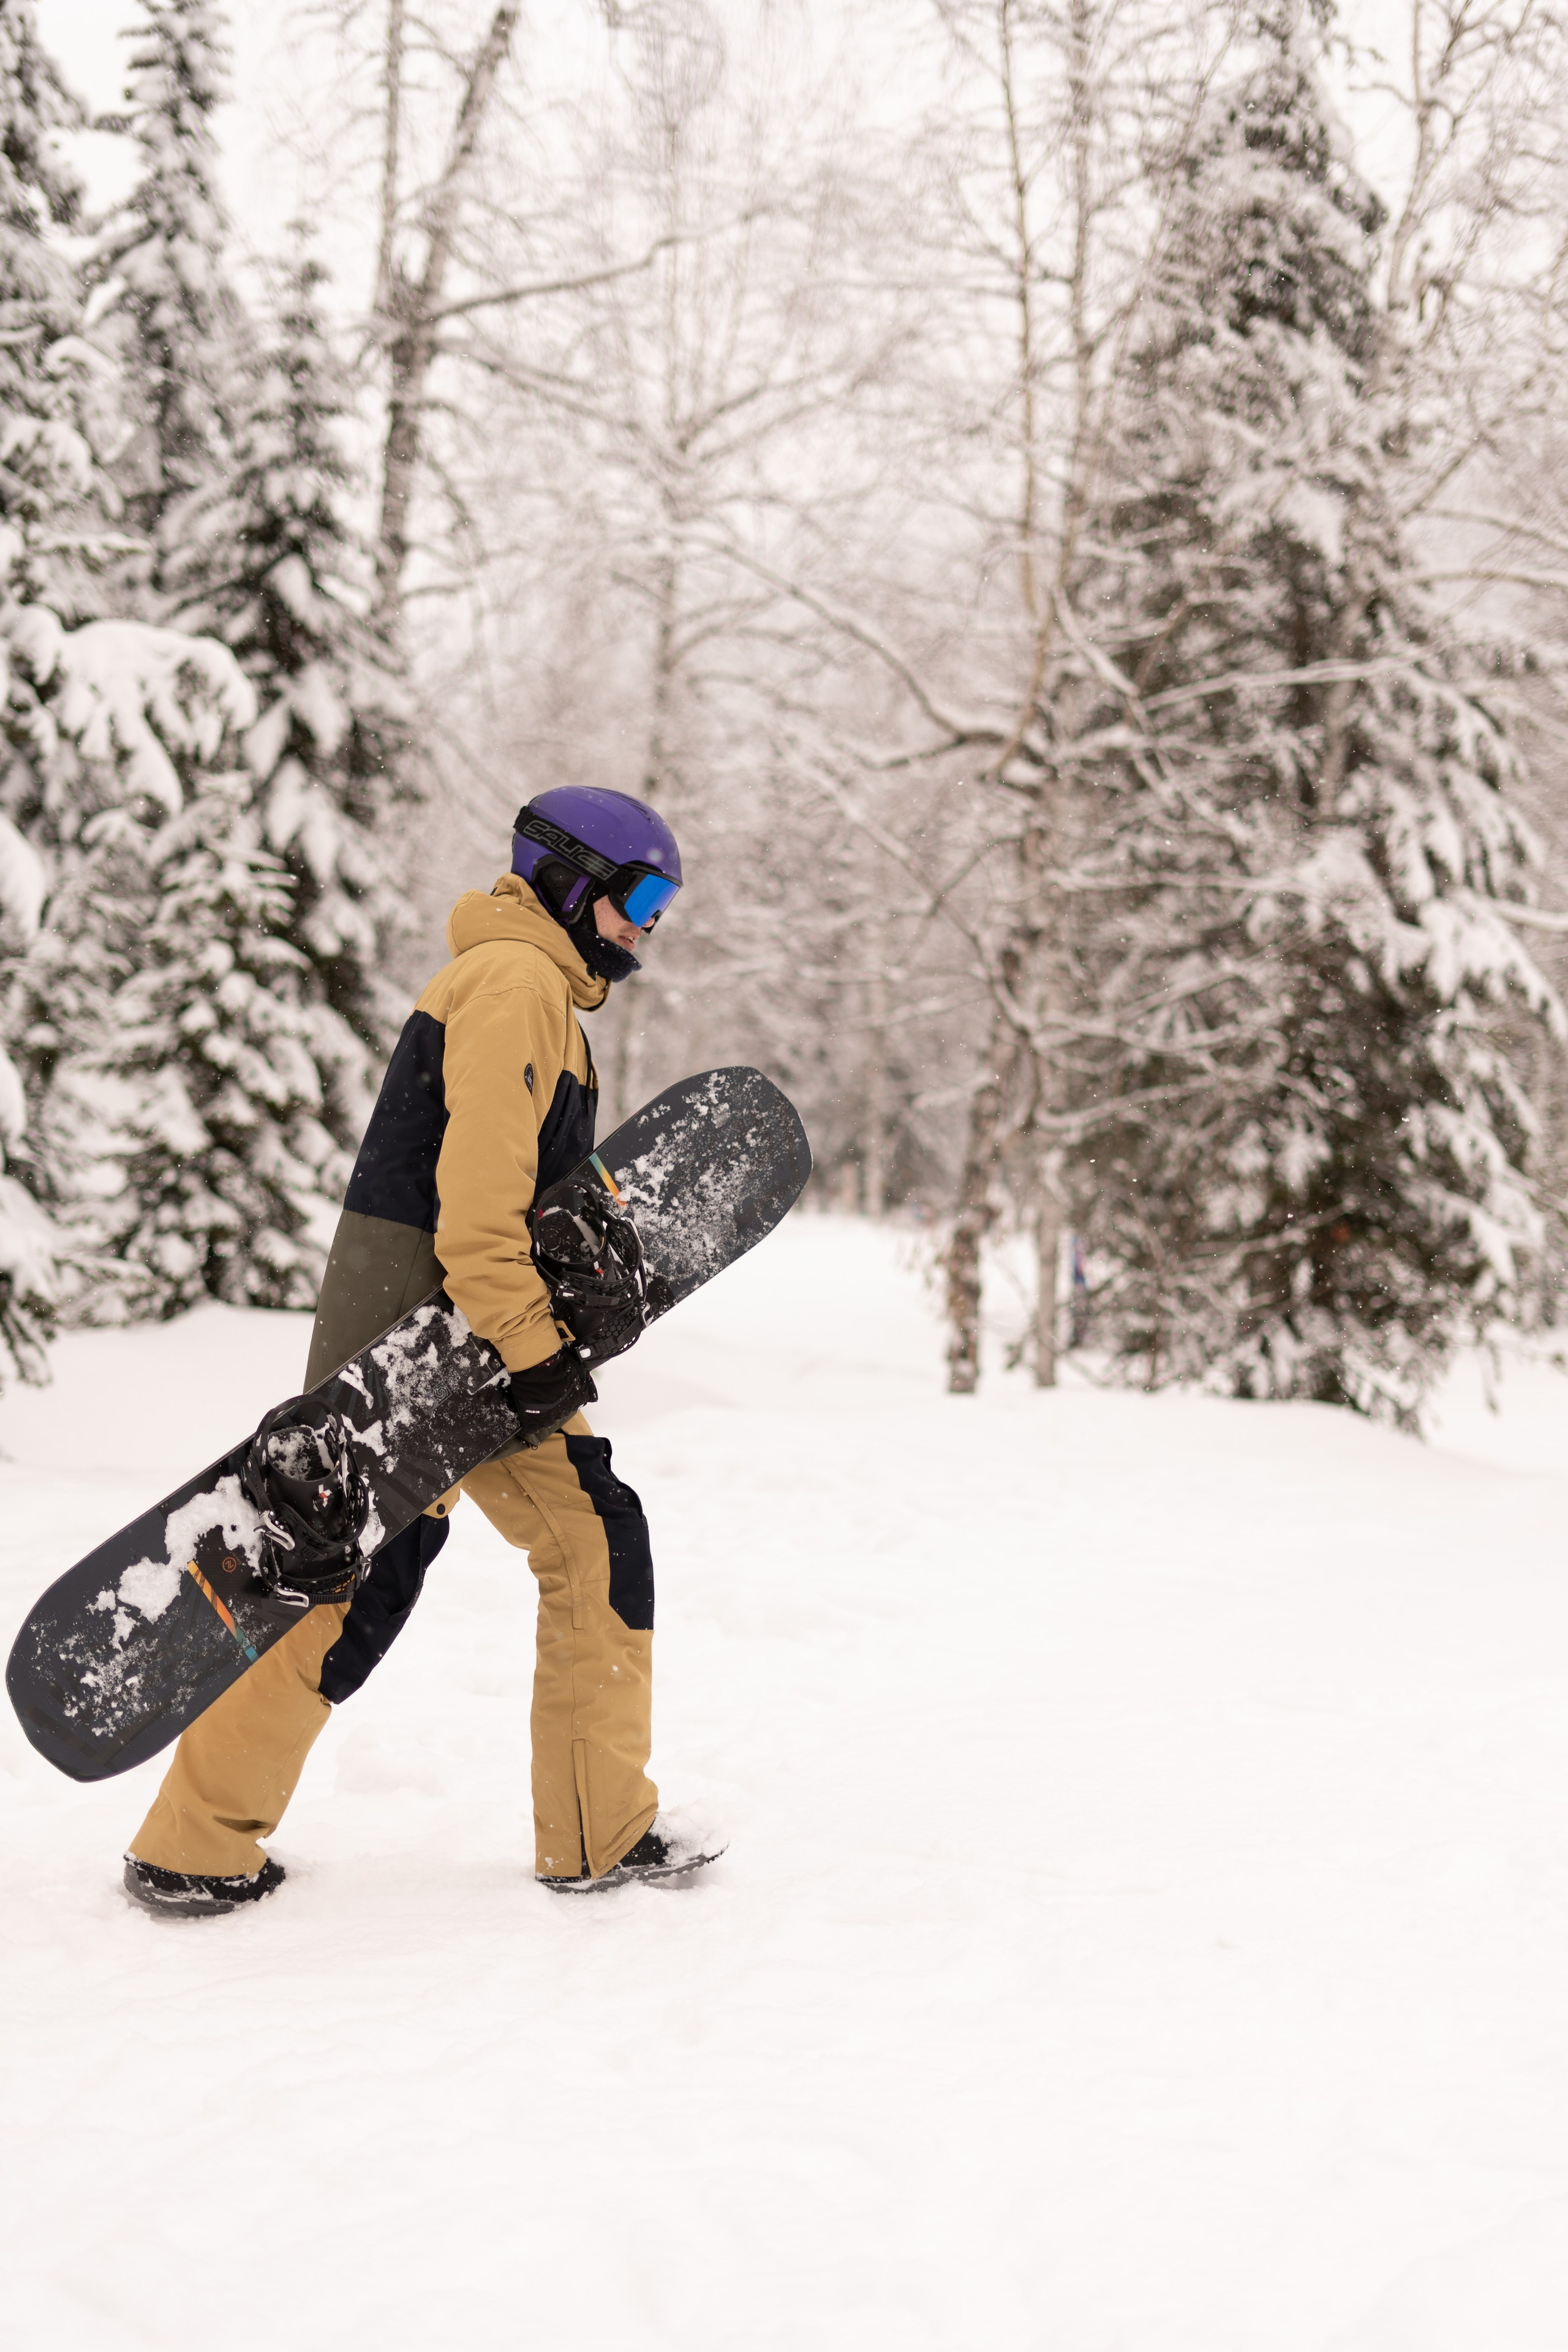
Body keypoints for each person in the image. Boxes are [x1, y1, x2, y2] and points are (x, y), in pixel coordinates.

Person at [121, 788, 723, 1917]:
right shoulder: (516, 985)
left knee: (355, 1579)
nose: (649, 925)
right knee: (571, 1545)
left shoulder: (522, 986)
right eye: (641, 896)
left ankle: (196, 1846)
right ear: (571, 881)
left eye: (665, 904)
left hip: (436, 1335)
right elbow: (477, 1212)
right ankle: (597, 1834)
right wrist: (533, 1350)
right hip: (443, 1342)